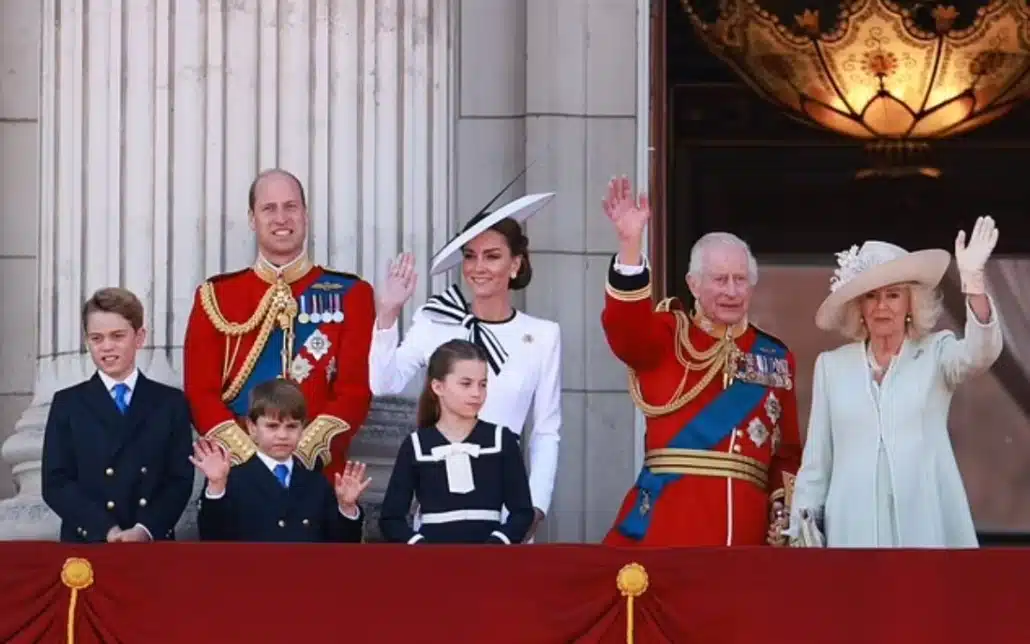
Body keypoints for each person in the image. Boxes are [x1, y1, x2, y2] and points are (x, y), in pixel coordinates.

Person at [599, 176, 803, 547]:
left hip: (746, 533)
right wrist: (630, 246)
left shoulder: (775, 357)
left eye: (740, 280)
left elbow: (786, 454)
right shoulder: (666, 335)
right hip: (668, 527)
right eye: (719, 279)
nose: (731, 290)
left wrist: (780, 512)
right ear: (693, 284)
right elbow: (624, 329)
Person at [789, 217, 1003, 548]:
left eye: (893, 295)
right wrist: (803, 532)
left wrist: (973, 282)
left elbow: (980, 353)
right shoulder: (832, 367)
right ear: (859, 306)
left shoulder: (936, 353)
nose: (882, 306)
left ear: (909, 304)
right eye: (871, 296)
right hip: (851, 533)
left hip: (924, 528)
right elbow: (817, 465)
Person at [369, 189, 560, 540]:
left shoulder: (543, 335)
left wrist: (534, 508)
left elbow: (546, 431)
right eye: (470, 256)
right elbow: (384, 384)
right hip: (440, 506)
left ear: (515, 263)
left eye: (492, 256)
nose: (478, 267)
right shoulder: (436, 319)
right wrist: (388, 315)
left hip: (507, 503)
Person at [182, 168, 375, 480]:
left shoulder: (352, 294)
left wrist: (299, 456)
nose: (281, 218)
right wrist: (250, 461)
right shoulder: (215, 296)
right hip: (238, 477)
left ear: (305, 214)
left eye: (290, 207)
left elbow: (354, 391)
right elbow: (200, 392)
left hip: (318, 478)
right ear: (252, 218)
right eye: (268, 208)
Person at [42, 288, 194, 543]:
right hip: (89, 543)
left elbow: (179, 479)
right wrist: (105, 529)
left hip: (150, 544)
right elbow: (56, 482)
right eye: (97, 338)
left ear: (139, 337)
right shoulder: (67, 403)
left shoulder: (170, 403)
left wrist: (145, 529)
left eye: (117, 336)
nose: (107, 347)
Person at [379, 339, 535, 544]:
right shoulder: (416, 445)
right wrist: (421, 547)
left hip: (490, 565)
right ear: (438, 386)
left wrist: (497, 544)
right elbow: (391, 519)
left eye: (483, 384)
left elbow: (523, 512)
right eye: (466, 383)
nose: (476, 393)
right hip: (434, 566)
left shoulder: (501, 440)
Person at [192, 378, 370, 542]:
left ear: (302, 429)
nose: (282, 435)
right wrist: (216, 487)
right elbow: (211, 538)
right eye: (272, 426)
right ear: (252, 428)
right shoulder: (231, 480)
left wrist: (347, 508)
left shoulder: (317, 484)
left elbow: (342, 547)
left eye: (292, 426)